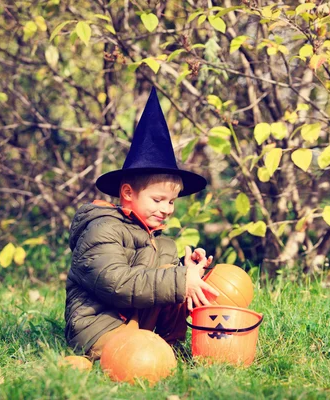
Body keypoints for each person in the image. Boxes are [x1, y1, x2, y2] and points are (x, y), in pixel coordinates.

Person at [64, 87, 219, 360]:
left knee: (176, 274)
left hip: (137, 326)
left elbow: (157, 284)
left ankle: (170, 346)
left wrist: (189, 272)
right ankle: (104, 358)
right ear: (127, 193)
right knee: (136, 355)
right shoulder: (101, 229)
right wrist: (179, 279)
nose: (166, 209)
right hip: (99, 326)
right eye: (158, 199)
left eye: (171, 202)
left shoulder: (162, 242)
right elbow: (118, 284)